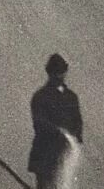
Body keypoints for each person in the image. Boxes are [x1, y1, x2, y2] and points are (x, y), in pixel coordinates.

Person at [29, 53, 84, 189]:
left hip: (65, 155)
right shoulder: (40, 97)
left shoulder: (71, 97)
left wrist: (75, 137)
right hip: (45, 155)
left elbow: (78, 122)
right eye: (56, 73)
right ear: (50, 73)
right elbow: (39, 123)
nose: (60, 76)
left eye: (61, 72)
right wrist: (60, 132)